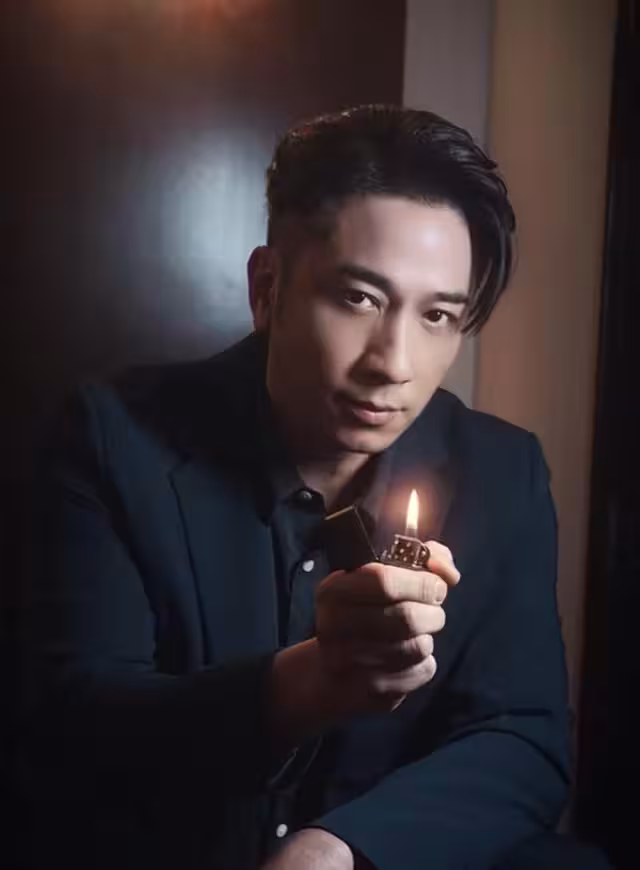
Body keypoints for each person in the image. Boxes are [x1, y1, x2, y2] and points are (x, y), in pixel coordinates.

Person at [18, 105, 607, 870]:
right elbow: (71, 724)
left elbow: (522, 737)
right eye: (359, 298)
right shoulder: (111, 438)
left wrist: (340, 848)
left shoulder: (504, 471)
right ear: (268, 287)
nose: (393, 364)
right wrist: (306, 683)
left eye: (437, 315)